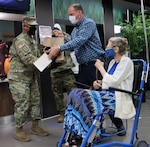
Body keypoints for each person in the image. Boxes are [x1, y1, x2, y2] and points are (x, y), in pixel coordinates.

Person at [63, 37, 136, 146]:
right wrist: (99, 83)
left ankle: (87, 135)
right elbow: (109, 80)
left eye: (107, 46)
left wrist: (101, 68)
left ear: (115, 49)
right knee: (74, 93)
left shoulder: (126, 62)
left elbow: (114, 82)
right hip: (107, 94)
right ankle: (77, 134)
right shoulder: (112, 62)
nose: (105, 49)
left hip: (117, 98)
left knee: (83, 97)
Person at [7, 16, 49, 142]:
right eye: (33, 27)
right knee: (22, 103)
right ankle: (18, 130)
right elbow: (28, 59)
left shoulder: (32, 40)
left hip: (30, 77)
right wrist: (47, 60)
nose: (34, 29)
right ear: (25, 26)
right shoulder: (20, 40)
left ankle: (35, 127)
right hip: (19, 78)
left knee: (36, 101)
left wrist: (46, 55)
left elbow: (36, 56)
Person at [48, 3, 106, 88]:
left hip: (94, 65)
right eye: (69, 15)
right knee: (84, 95)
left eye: (71, 14)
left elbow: (80, 40)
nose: (70, 17)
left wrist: (59, 48)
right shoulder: (75, 30)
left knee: (98, 94)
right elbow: (73, 47)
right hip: (82, 67)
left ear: (79, 12)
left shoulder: (88, 23)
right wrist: (63, 37)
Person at [44, 23, 76, 123]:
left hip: (66, 69)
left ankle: (75, 112)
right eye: (54, 30)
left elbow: (73, 46)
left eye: (57, 30)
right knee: (57, 94)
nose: (55, 32)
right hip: (54, 70)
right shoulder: (49, 39)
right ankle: (62, 113)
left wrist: (62, 37)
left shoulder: (66, 36)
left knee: (73, 92)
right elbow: (45, 52)